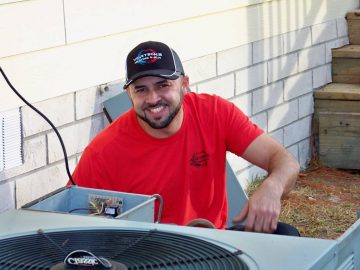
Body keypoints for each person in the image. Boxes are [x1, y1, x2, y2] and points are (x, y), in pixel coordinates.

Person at [71, 41, 300, 235]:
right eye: (141, 90)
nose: (153, 99)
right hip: (150, 253)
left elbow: (284, 161)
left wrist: (273, 186)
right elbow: (72, 215)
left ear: (185, 85)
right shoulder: (104, 151)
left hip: (213, 242)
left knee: (285, 234)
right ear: (128, 94)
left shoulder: (215, 113)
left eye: (163, 85)